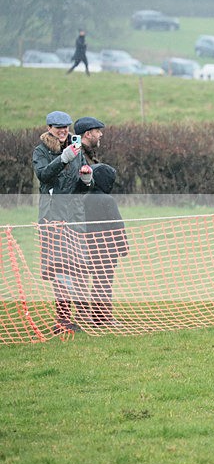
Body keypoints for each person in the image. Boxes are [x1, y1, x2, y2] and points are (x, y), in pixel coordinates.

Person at [32, 111, 91, 335]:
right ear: (49, 128)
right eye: (58, 127)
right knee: (59, 270)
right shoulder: (41, 151)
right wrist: (63, 158)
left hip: (75, 218)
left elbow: (81, 187)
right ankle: (63, 320)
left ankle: (82, 316)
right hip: (53, 219)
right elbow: (43, 175)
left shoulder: (77, 151)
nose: (63, 130)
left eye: (66, 127)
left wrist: (87, 178)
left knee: (79, 269)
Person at [83, 160, 128, 327]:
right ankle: (104, 317)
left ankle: (95, 316)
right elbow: (117, 225)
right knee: (104, 283)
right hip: (107, 250)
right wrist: (123, 247)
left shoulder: (84, 198)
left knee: (95, 282)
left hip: (88, 248)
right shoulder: (108, 200)